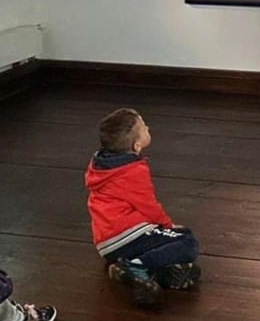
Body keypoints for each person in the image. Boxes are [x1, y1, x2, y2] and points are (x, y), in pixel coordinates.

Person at [84, 108, 200, 307]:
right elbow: (149, 207)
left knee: (173, 241)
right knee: (188, 241)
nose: (148, 127)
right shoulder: (133, 171)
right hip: (128, 236)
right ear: (137, 145)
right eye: (144, 127)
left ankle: (150, 275)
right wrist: (169, 225)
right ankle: (135, 266)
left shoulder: (100, 164)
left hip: (106, 243)